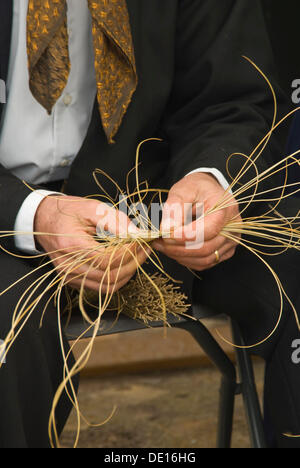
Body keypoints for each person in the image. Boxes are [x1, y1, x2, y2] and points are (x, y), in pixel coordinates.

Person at [0, 0, 298, 448]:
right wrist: (34, 213)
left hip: (144, 200)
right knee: (9, 328)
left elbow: (230, 97)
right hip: (6, 213)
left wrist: (210, 175)